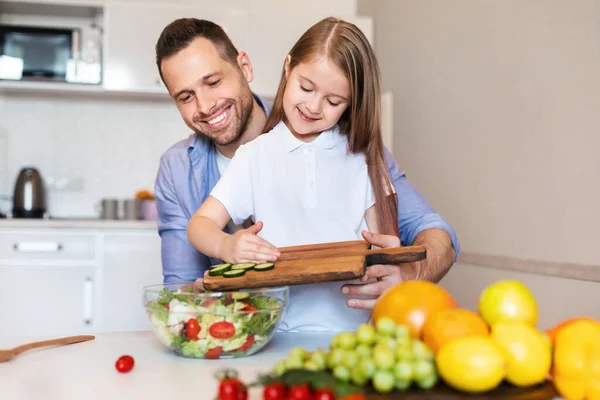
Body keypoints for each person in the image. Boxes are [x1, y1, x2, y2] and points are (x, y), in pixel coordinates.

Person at [154, 17, 460, 311]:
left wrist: (405, 275)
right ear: (289, 69)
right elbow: (180, 286)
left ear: (245, 67)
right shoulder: (185, 167)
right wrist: (226, 263)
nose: (205, 106)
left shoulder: (358, 149)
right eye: (186, 96)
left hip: (349, 320)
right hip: (268, 327)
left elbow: (426, 233)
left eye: (214, 81)